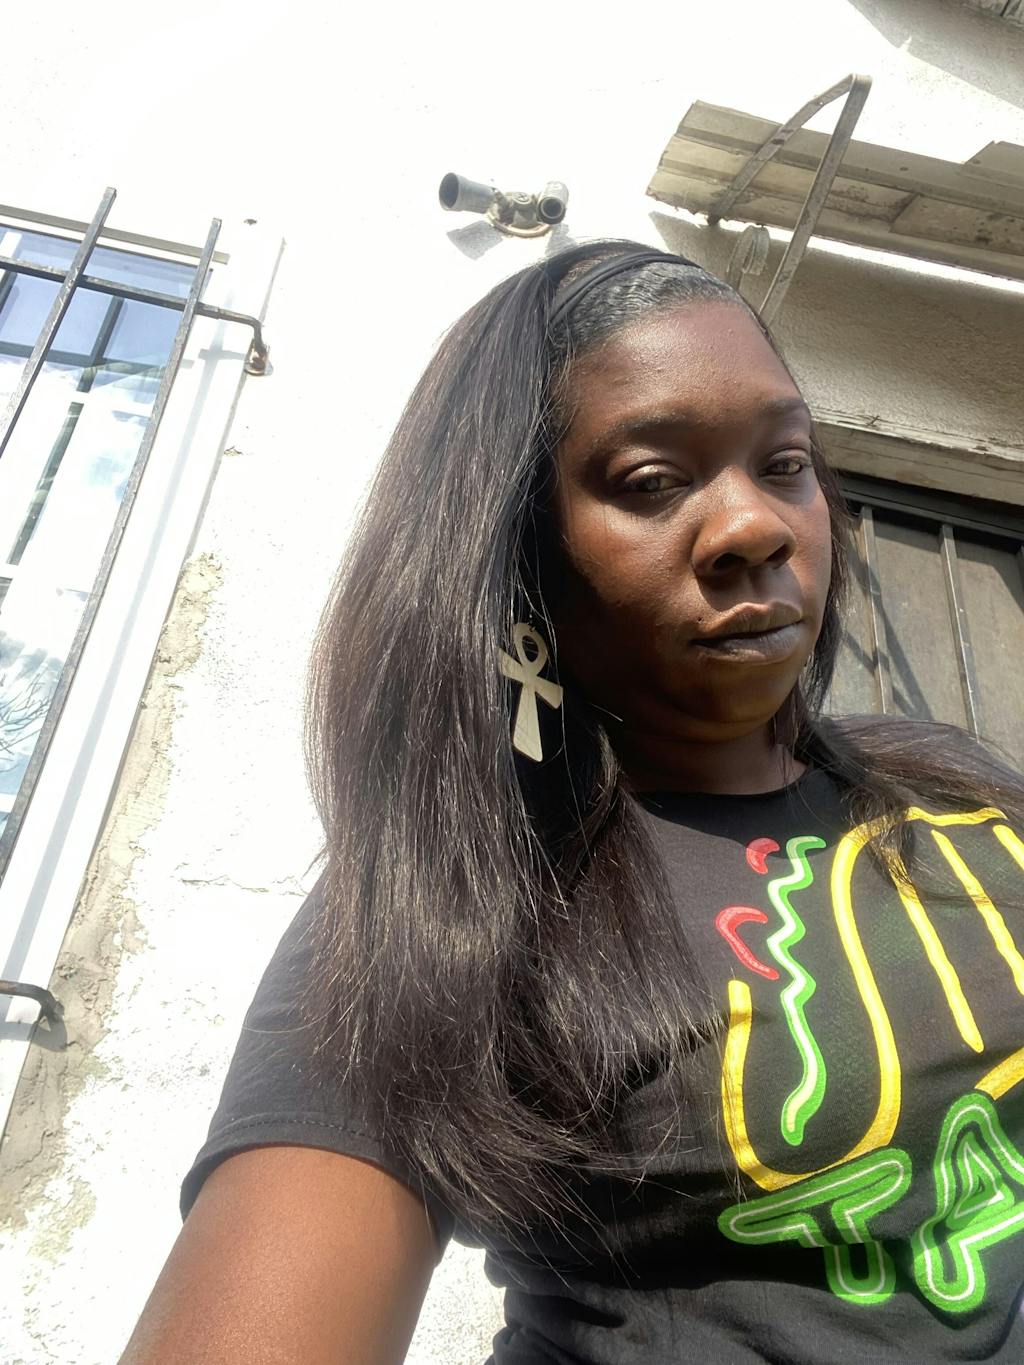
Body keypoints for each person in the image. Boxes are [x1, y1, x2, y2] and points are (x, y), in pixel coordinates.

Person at [122, 241, 1024, 1363]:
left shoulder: (950, 779)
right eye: (651, 482)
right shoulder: (458, 898)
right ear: (522, 556)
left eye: (785, 462)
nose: (754, 526)